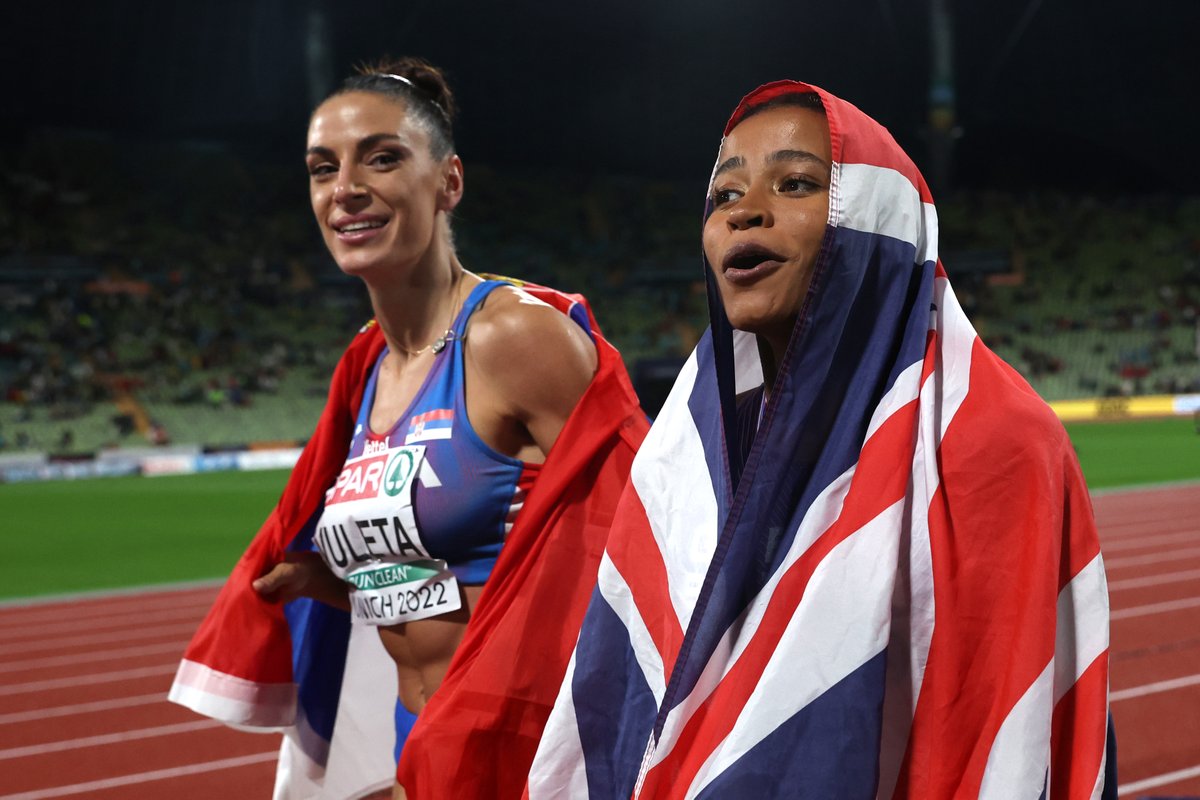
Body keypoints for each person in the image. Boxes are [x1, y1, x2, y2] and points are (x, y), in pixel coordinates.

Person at [527, 81, 1115, 798]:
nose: (744, 210)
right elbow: (628, 693)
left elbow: (998, 735)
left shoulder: (997, 440)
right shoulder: (684, 452)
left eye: (796, 183)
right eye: (724, 194)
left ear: (873, 224)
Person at [168, 57, 648, 800]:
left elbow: (647, 548)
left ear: (449, 181)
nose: (345, 188)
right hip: (421, 738)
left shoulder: (513, 338)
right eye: (323, 168)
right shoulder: (366, 370)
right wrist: (339, 586)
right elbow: (447, 581)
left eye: (382, 158)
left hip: (523, 747)